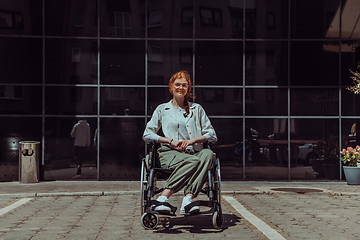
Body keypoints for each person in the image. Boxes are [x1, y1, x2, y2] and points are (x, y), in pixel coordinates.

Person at [142, 70, 217, 215]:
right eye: (177, 84)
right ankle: (163, 198)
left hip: (194, 151)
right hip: (170, 153)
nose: (180, 88)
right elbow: (147, 134)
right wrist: (170, 141)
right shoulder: (162, 109)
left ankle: (188, 200)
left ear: (188, 88)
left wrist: (193, 140)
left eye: (184, 85)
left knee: (208, 154)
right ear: (171, 87)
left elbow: (212, 135)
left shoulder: (197, 109)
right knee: (193, 161)